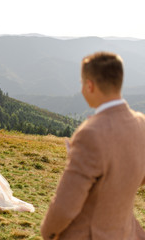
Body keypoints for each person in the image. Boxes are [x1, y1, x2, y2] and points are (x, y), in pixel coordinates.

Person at [41, 52, 145, 239]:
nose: (81, 89)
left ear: (90, 85)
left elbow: (65, 207)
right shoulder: (141, 123)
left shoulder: (90, 133)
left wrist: (48, 232)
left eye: (82, 83)